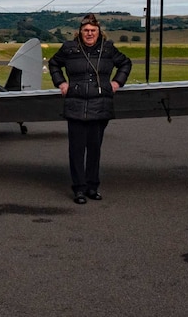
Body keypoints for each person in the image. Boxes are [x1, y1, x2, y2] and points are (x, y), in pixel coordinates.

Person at [48, 13, 132, 204]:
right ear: (80, 32)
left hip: (100, 105)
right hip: (75, 104)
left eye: (93, 30)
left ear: (99, 32)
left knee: (94, 149)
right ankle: (79, 188)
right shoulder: (69, 49)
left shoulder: (108, 49)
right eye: (86, 30)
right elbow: (54, 63)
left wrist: (117, 82)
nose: (89, 34)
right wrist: (60, 82)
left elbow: (125, 63)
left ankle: (93, 187)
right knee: (76, 149)